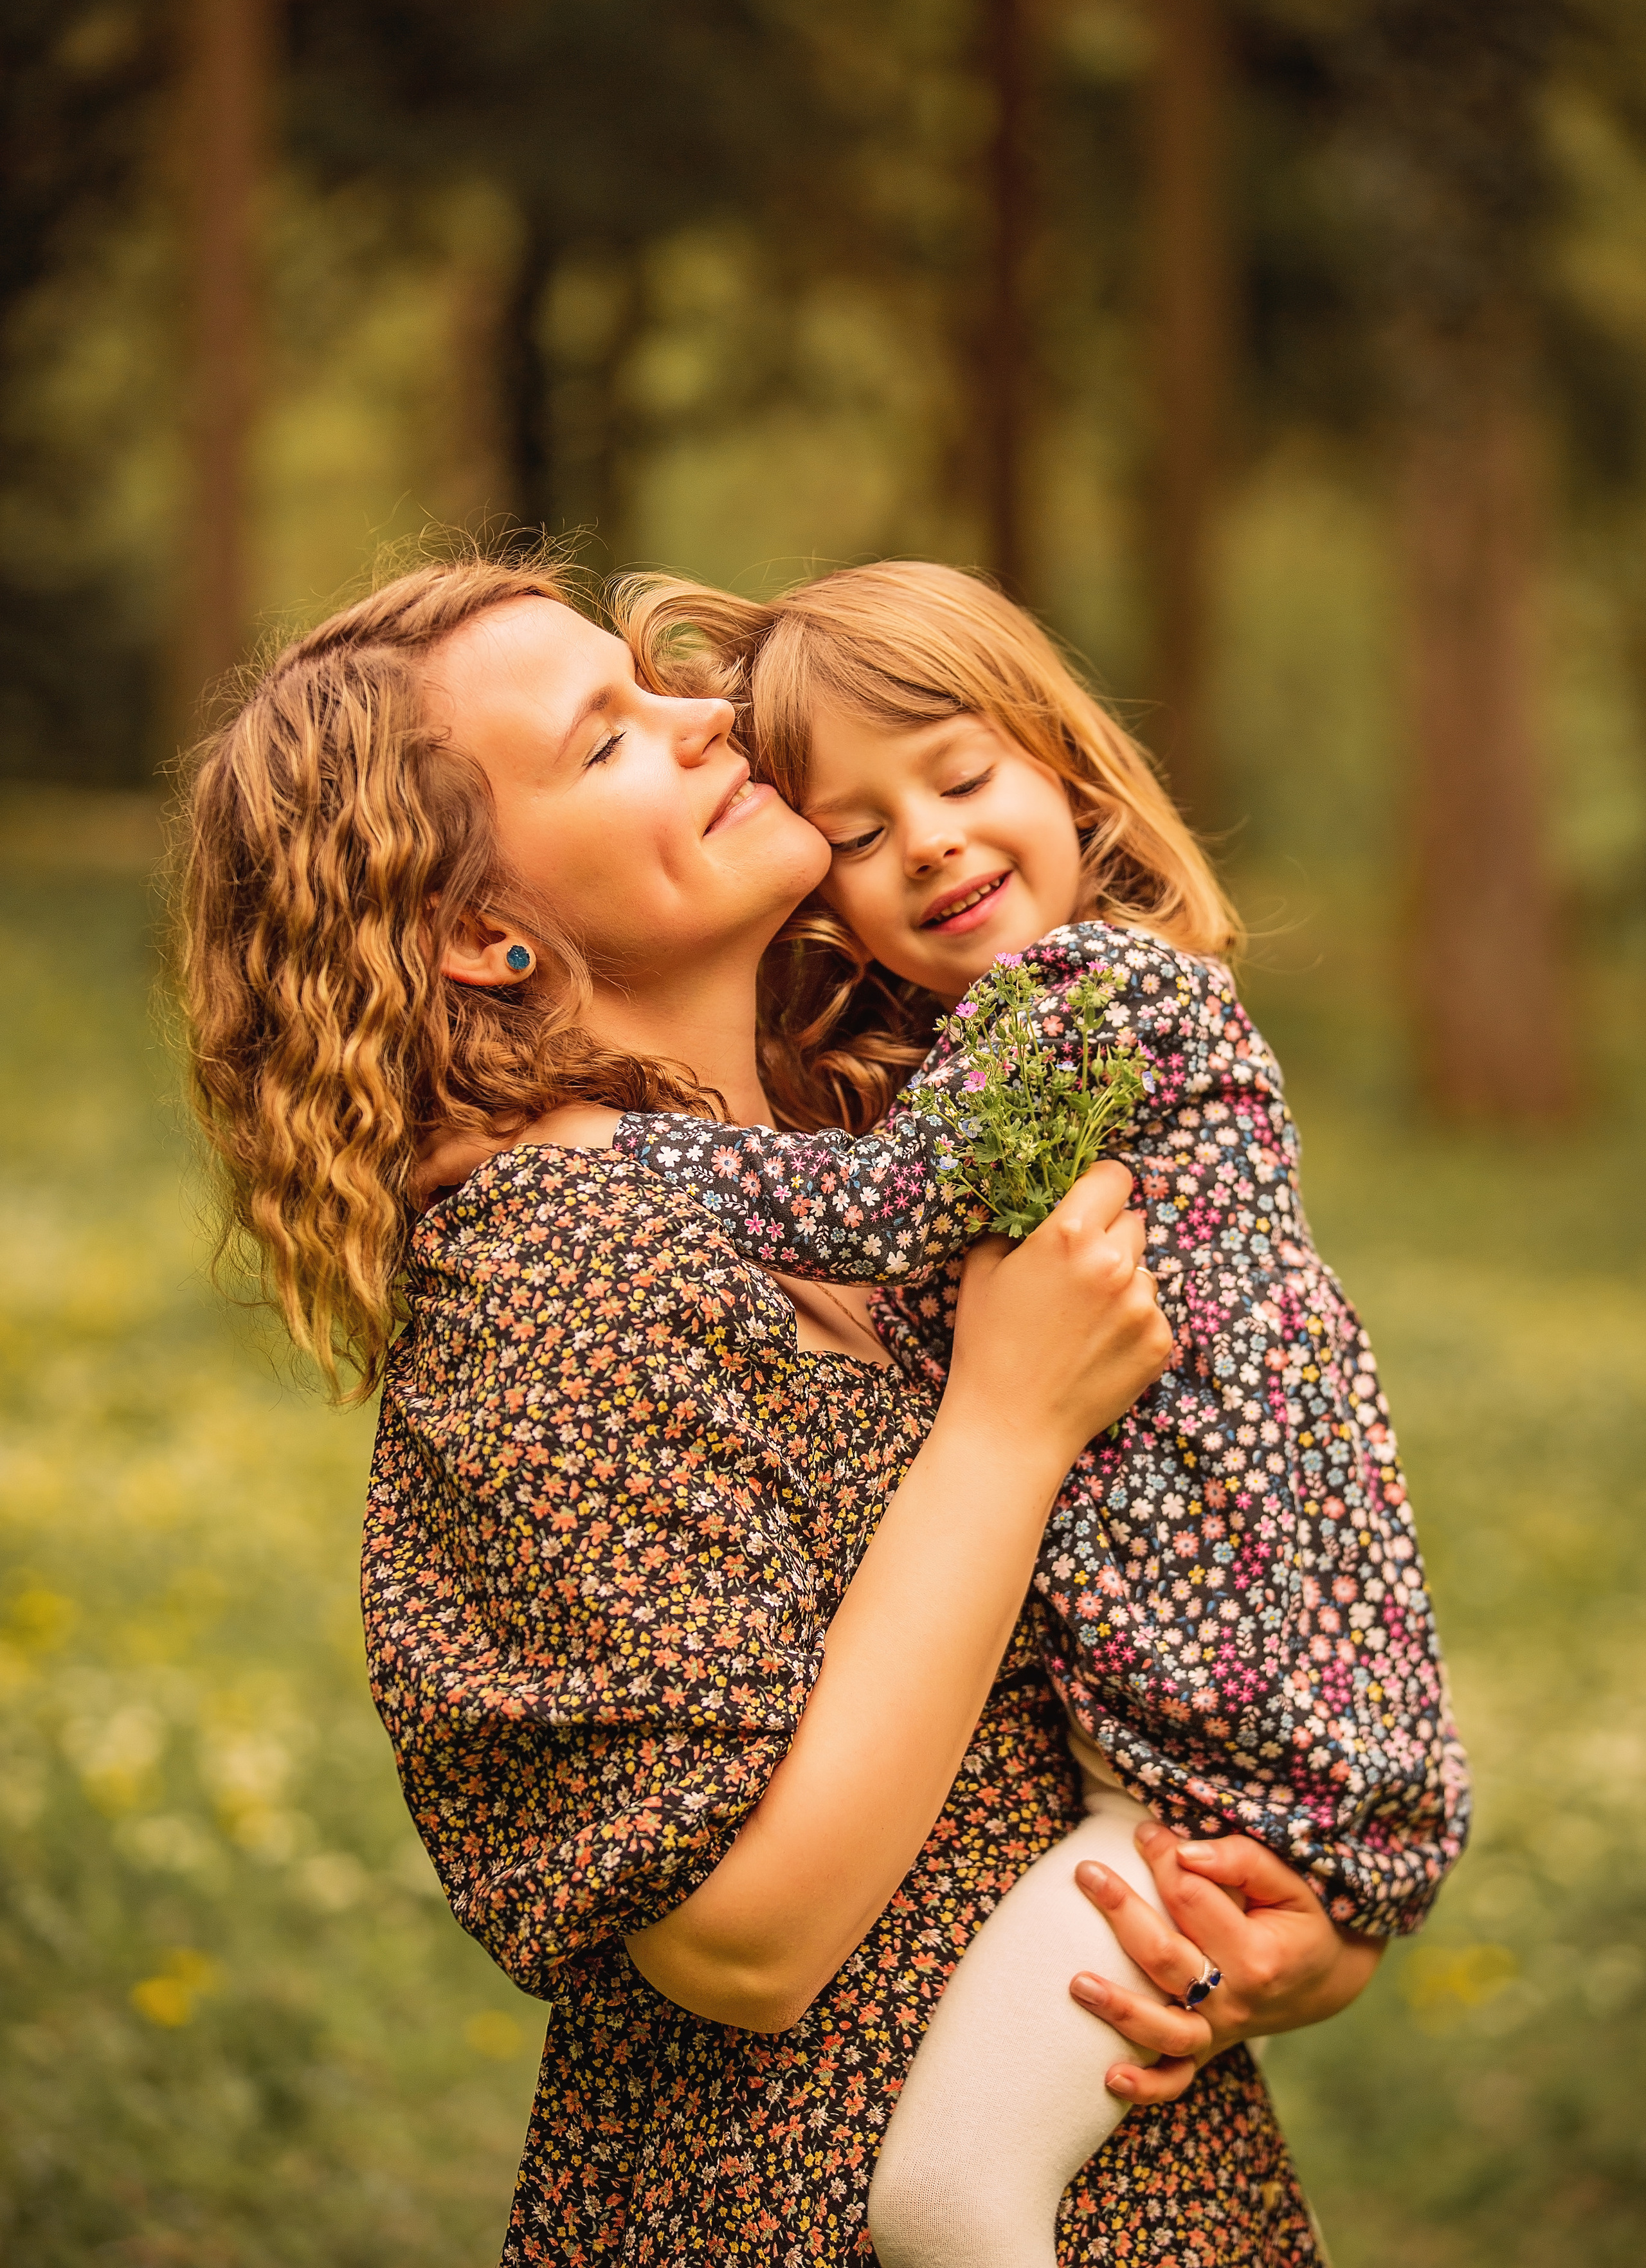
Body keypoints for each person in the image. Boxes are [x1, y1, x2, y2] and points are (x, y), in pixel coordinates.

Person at [179, 556, 1383, 2267]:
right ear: (479, 932)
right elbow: (737, 1942)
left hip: (1120, 2147)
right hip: (811, 2197)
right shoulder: (556, 1275)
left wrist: (1282, 1929)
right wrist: (1009, 1422)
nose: (706, 719)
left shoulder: (865, 1153)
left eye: (657, 685)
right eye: (608, 738)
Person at [547, 558, 1470, 2268]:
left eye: (963, 777)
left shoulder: (1101, 995)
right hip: (1221, 1759)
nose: (931, 844)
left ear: (1068, 769)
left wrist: (599, 1153)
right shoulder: (980, 1043)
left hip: (1215, 1784)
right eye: (859, 830)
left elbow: (883, 1213)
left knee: (949, 2204)